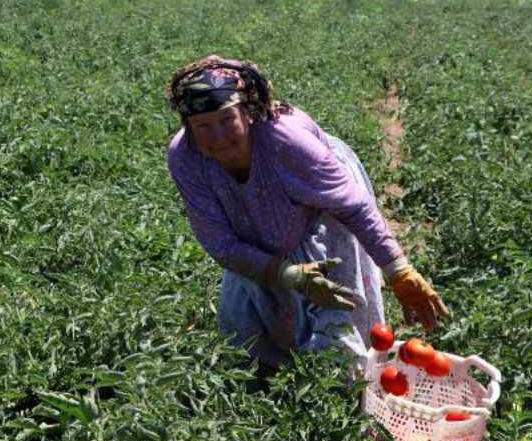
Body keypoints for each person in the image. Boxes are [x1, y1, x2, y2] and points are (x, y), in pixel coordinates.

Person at [166, 55, 449, 369]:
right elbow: (220, 242)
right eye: (203, 126)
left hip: (321, 212)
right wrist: (285, 273)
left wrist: (399, 271)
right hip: (253, 228)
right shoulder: (186, 158)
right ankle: (277, 386)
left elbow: (353, 207)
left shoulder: (286, 143)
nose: (218, 138)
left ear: (246, 113)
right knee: (245, 334)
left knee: (337, 318)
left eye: (226, 120)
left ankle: (346, 392)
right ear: (188, 128)